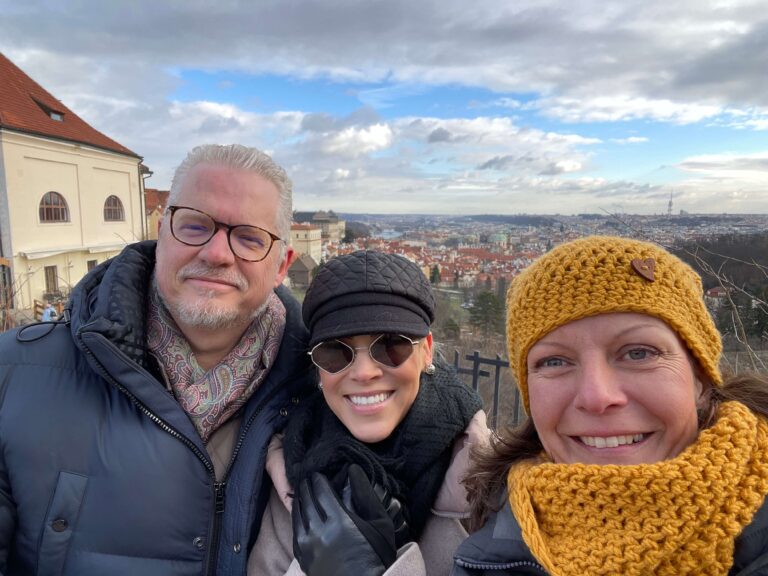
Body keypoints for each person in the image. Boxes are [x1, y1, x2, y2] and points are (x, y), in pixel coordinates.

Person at [0, 144, 314, 575]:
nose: (218, 253)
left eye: (248, 237)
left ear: (282, 266)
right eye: (195, 225)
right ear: (162, 229)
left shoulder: (323, 386)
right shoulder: (12, 374)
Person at [452, 235, 768, 576]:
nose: (596, 397)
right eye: (555, 361)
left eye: (639, 353)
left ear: (701, 378)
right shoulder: (488, 544)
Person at [248, 250, 489, 576]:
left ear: (427, 351)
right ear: (318, 369)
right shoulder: (291, 469)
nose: (364, 372)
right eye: (335, 351)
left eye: (391, 345)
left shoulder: (489, 478)